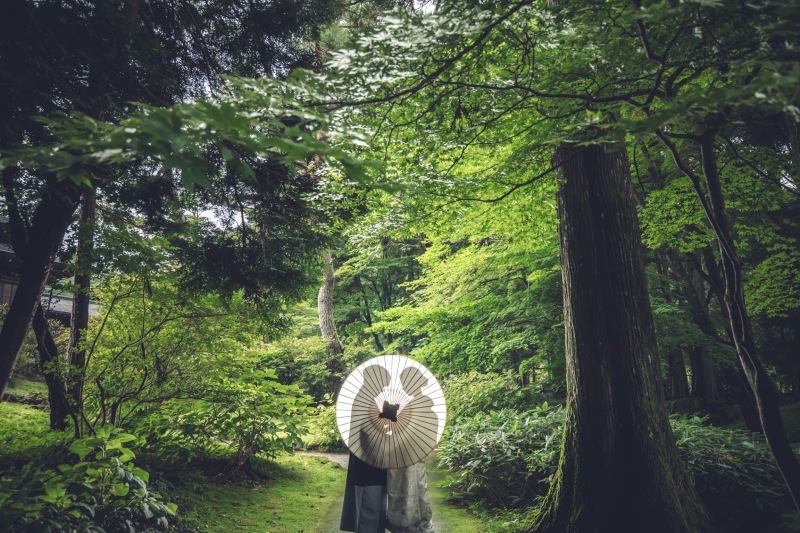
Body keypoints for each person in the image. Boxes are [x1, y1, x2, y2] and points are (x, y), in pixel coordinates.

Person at [341, 365, 391, 533]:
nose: (382, 389)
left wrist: (384, 416)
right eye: (382, 384)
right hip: (367, 463)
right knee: (368, 512)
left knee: (376, 511)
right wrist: (386, 420)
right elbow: (369, 433)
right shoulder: (364, 400)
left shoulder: (369, 400)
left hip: (373, 462)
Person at [386, 367, 435, 533]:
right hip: (403, 454)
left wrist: (395, 420)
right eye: (402, 382)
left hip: (412, 453)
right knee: (406, 488)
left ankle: (416, 523)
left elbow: (420, 431)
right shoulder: (410, 404)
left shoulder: (420, 404)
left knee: (415, 488)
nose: (403, 385)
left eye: (405, 381)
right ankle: (406, 522)